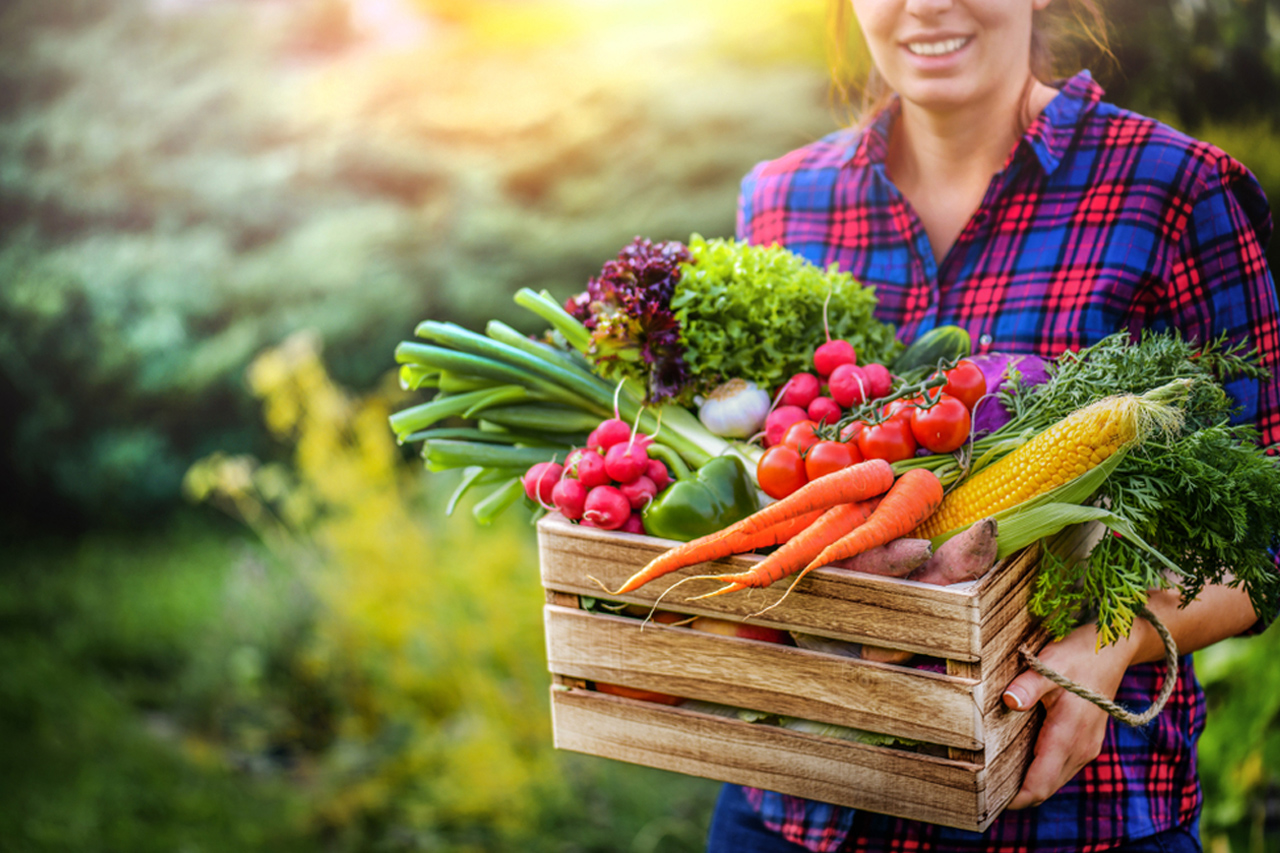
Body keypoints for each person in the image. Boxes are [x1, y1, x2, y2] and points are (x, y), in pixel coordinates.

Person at [707, 0, 1280, 850]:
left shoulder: (1176, 191)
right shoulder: (786, 199)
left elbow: (1262, 541)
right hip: (800, 806)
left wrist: (1111, 643)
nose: (927, 6)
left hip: (1064, 811)